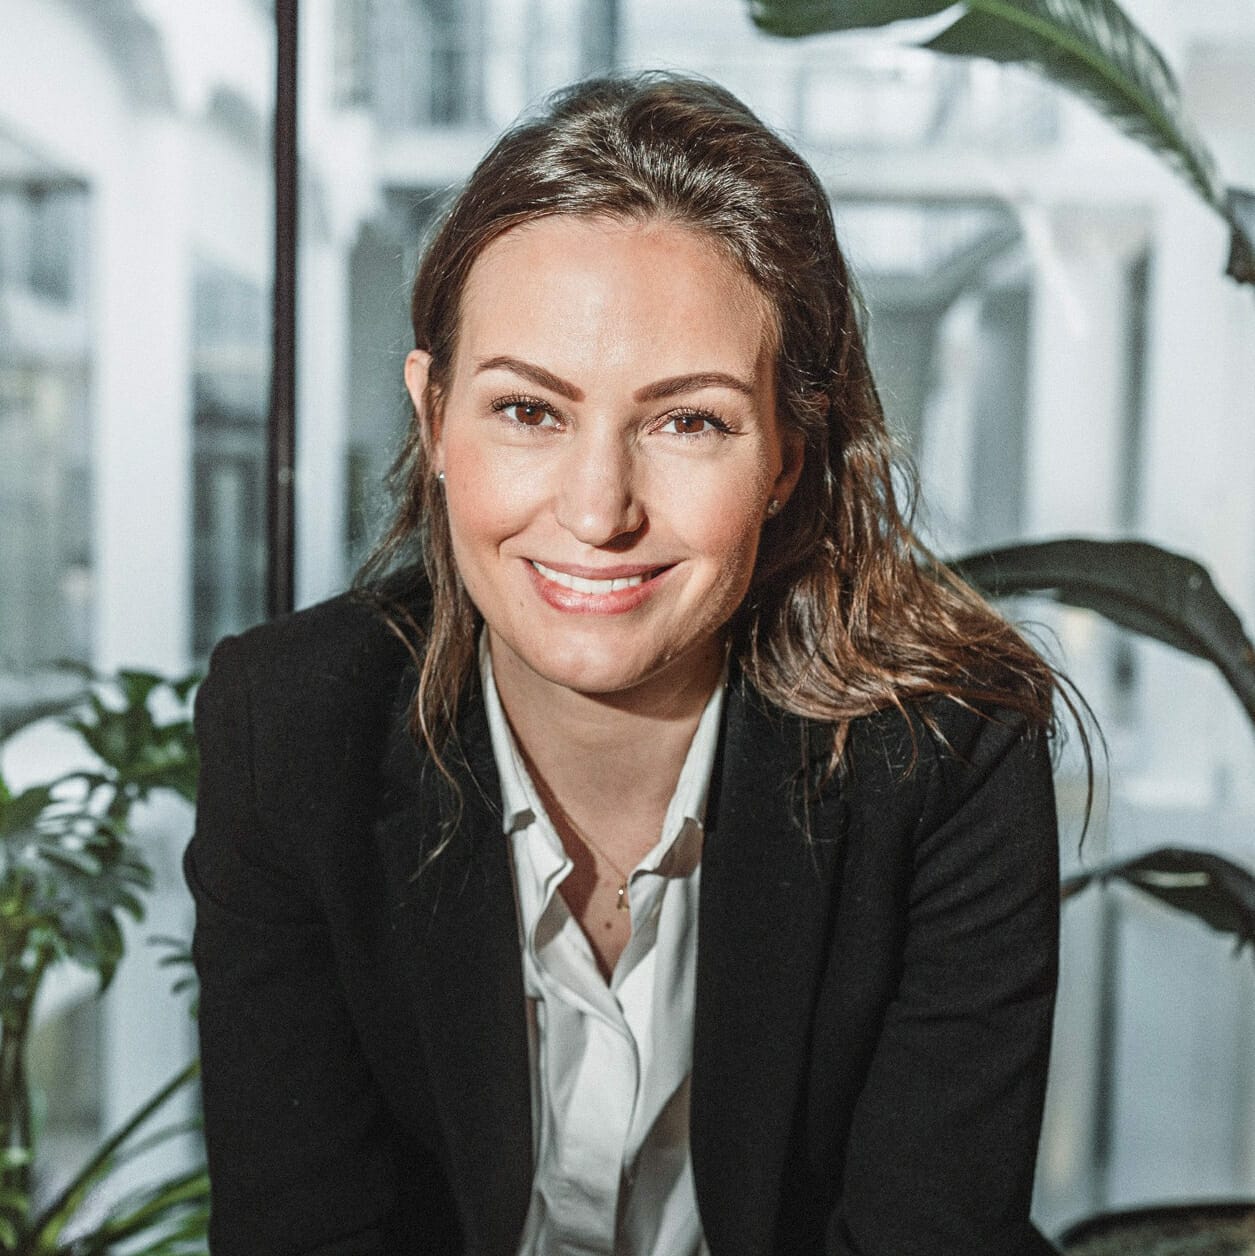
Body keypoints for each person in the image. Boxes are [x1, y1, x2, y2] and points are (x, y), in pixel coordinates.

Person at [185, 72, 1065, 1256]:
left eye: (688, 420)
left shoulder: (948, 754)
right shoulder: (288, 726)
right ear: (433, 413)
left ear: (787, 458)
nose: (598, 511)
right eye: (527, 412)